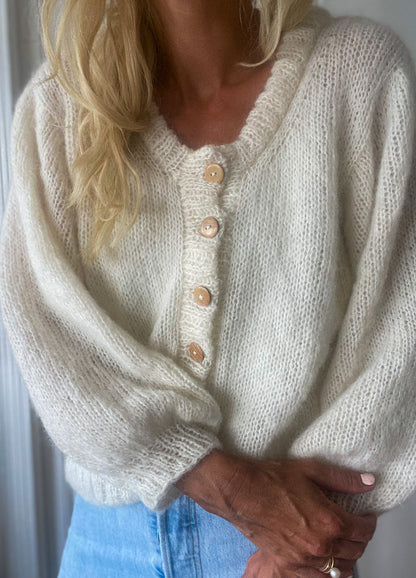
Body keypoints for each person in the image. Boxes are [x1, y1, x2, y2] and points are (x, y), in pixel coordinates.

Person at [1, 0, 416, 576]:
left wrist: (316, 529)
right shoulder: (64, 102)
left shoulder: (359, 74)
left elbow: (401, 331)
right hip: (108, 545)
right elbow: (46, 329)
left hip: (287, 551)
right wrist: (222, 481)